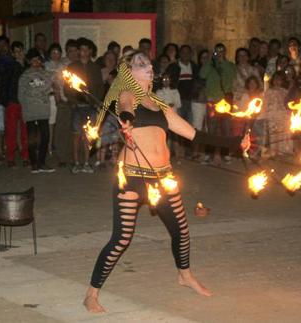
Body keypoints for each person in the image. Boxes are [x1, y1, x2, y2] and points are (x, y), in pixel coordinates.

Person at [84, 50, 250, 313]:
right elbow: (125, 110)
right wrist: (126, 124)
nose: (148, 66)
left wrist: (234, 143)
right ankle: (91, 294)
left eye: (148, 62)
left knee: (181, 231)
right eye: (140, 64)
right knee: (121, 239)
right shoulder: (128, 95)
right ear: (129, 73)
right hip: (133, 178)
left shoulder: (159, 105)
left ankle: (184, 275)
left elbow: (194, 134)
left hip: (163, 178)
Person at [66, 37, 103, 174]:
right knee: (76, 135)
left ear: (91, 51)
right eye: (82, 49)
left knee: (88, 135)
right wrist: (73, 101)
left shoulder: (95, 68)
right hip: (77, 106)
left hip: (91, 106)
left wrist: (96, 101)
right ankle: (76, 163)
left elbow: (99, 87)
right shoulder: (72, 67)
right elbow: (67, 87)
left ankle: (87, 163)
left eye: (87, 49)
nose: (84, 52)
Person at [18, 48, 57, 173]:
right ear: (29, 61)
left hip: (43, 110)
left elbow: (50, 87)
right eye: (33, 60)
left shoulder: (46, 74)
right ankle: (34, 163)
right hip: (30, 110)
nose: (36, 62)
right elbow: (21, 94)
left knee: (45, 136)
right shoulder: (25, 75)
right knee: (32, 137)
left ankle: (42, 162)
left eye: (38, 59)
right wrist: (26, 105)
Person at [199, 43, 236, 164]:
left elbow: (232, 75)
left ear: (225, 52)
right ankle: (209, 154)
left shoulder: (230, 65)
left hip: (225, 101)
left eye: (222, 51)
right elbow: (202, 74)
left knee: (226, 128)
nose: (219, 53)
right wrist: (210, 61)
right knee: (212, 129)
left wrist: (222, 63)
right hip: (212, 101)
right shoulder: (210, 65)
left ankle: (225, 154)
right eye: (217, 51)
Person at [1, 41, 29, 168]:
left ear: (24, 50)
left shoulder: (28, 66)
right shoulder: (10, 67)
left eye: (20, 50)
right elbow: (4, 85)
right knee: (11, 132)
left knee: (25, 132)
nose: (19, 54)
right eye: (16, 51)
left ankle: (25, 156)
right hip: (13, 102)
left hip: (25, 103)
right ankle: (10, 158)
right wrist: (5, 102)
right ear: (12, 53)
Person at [45, 43, 71, 166]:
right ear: (50, 53)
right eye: (53, 52)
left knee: (59, 125)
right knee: (51, 124)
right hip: (50, 97)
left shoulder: (63, 65)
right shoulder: (46, 65)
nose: (56, 54)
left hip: (63, 97)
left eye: (58, 52)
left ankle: (57, 147)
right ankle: (49, 147)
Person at [263, 71, 291, 157]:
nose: (277, 81)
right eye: (275, 79)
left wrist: (289, 113)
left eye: (279, 80)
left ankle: (283, 150)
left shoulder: (285, 91)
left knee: (283, 133)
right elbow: (265, 103)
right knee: (273, 133)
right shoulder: (268, 91)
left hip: (283, 114)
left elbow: (288, 103)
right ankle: (274, 151)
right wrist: (265, 114)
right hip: (272, 114)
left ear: (282, 81)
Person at [156, 73, 182, 158]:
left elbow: (178, 104)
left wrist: (173, 105)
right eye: (164, 80)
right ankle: (165, 154)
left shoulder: (175, 91)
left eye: (167, 79)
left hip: (174, 115)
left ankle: (177, 154)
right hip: (163, 116)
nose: (166, 81)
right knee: (165, 136)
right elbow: (158, 104)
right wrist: (166, 105)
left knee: (175, 136)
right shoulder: (159, 92)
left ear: (170, 80)